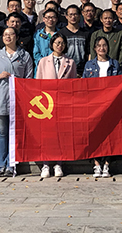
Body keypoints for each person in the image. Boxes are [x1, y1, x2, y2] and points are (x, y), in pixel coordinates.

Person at [0, 27, 34, 178]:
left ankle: (11, 164)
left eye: (11, 34)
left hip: (18, 100)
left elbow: (29, 78)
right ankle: (0, 165)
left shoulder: (24, 56)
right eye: (5, 35)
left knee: (14, 133)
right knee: (1, 133)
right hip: (0, 99)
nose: (8, 37)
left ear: (16, 37)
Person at [36, 33, 76, 178]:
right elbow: (38, 82)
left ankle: (59, 163)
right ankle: (46, 163)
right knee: (47, 134)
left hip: (63, 101)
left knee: (61, 133)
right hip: (47, 103)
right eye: (57, 43)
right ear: (52, 44)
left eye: (62, 43)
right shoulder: (43, 61)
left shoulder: (70, 62)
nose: (59, 45)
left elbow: (73, 83)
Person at [83, 36, 122, 178]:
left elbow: (120, 82)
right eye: (99, 45)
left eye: (104, 45)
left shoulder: (115, 64)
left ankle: (106, 164)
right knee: (94, 134)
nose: (102, 48)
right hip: (94, 104)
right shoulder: (89, 65)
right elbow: (84, 84)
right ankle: (96, 164)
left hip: (110, 104)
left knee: (109, 135)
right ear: (94, 48)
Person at [60, 5, 89, 76]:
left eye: (75, 14)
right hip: (65, 68)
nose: (73, 17)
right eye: (70, 15)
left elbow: (89, 52)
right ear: (66, 16)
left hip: (82, 70)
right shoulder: (61, 33)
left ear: (79, 16)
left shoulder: (86, 33)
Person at [33, 8, 59, 74]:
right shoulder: (38, 35)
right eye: (48, 17)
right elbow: (36, 53)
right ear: (43, 19)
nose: (50, 20)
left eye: (53, 17)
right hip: (41, 68)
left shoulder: (60, 34)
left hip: (56, 68)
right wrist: (45, 63)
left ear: (56, 19)